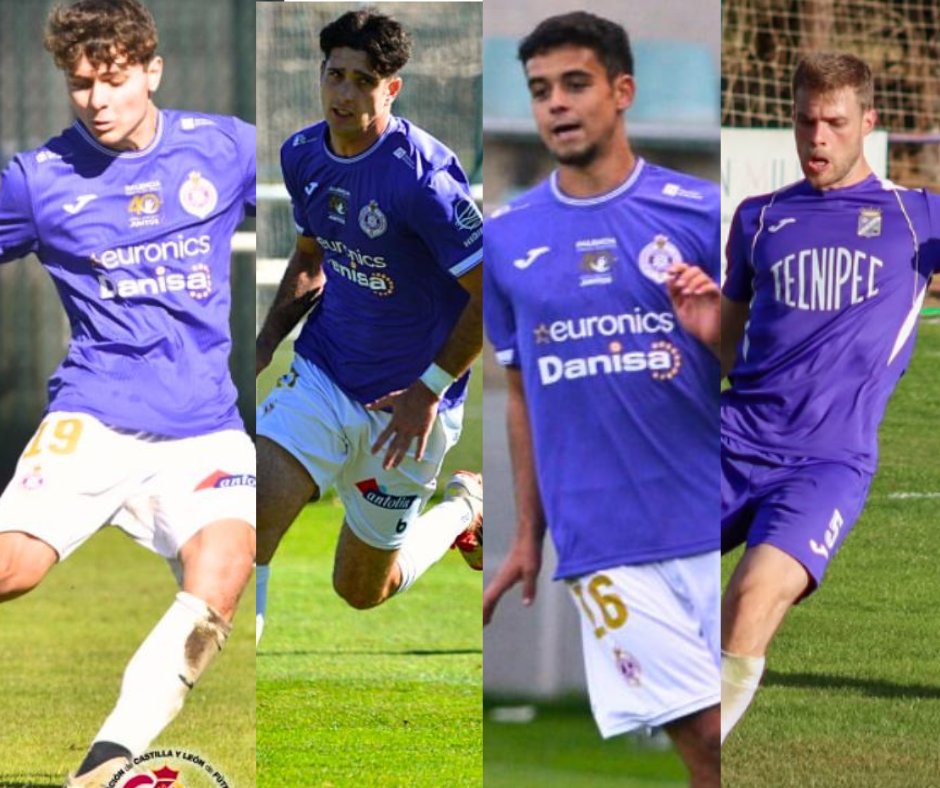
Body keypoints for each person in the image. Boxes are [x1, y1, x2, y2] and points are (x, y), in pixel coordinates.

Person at [0, 0, 256, 784]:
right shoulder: (37, 181)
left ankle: (103, 768)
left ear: (152, 71)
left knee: (220, 584)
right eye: (81, 85)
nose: (97, 101)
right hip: (96, 415)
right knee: (13, 569)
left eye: (113, 80)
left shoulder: (227, 148)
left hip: (206, 426)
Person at [482, 12, 721, 787]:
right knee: (709, 738)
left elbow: (759, 366)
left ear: (622, 92)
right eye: (541, 90)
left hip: (717, 515)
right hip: (602, 541)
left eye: (575, 84)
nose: (556, 104)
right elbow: (521, 392)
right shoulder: (507, 237)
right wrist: (528, 532)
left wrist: (718, 326)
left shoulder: (704, 215)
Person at [719, 52, 940, 742]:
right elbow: (721, 347)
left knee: (751, 602)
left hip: (825, 464)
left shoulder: (917, 218)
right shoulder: (758, 219)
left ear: (868, 124)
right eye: (805, 121)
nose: (818, 138)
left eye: (835, 123)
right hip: (729, 441)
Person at [254, 9, 483, 642]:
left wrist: (428, 390)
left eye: (362, 80)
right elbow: (310, 261)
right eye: (335, 76)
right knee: (249, 526)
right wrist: (264, 344)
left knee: (361, 590)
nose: (344, 93)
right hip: (323, 376)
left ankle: (467, 507)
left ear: (392, 88)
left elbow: (492, 298)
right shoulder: (302, 154)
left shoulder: (424, 181)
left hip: (408, 410)